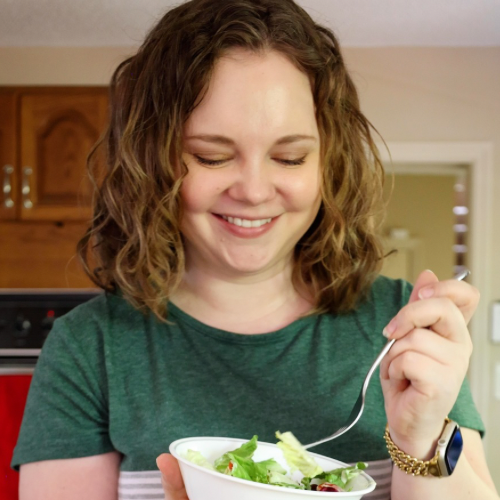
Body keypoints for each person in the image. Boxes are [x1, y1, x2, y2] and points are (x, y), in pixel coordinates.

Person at [11, 0, 499, 499]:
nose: (254, 190)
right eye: (211, 156)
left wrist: (419, 440)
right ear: (152, 159)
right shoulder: (90, 348)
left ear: (326, 163)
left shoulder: (406, 329)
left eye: (289, 157)